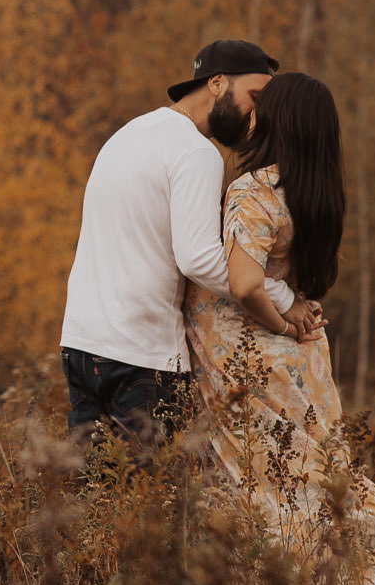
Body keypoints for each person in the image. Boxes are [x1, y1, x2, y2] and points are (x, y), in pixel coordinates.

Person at [184, 70, 375, 585]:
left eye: (262, 107)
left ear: (277, 121)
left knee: (279, 481)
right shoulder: (316, 194)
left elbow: (246, 284)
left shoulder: (254, 189)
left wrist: (279, 319)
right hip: (304, 360)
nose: (251, 114)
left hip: (252, 354)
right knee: (316, 478)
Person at [59, 39, 314, 439]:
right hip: (141, 356)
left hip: (81, 342)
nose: (258, 114)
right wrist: (282, 299)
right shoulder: (196, 153)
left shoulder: (129, 133)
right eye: (255, 96)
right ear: (216, 83)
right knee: (154, 496)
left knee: (95, 493)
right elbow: (198, 259)